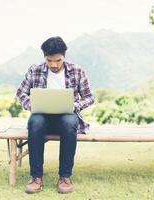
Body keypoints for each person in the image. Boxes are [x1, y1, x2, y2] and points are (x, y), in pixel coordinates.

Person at [16, 36, 94, 194]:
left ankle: (65, 177)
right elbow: (20, 93)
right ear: (44, 56)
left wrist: (74, 105)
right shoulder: (35, 69)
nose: (53, 64)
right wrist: (32, 105)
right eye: (49, 60)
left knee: (69, 122)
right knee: (35, 122)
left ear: (64, 55)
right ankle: (36, 177)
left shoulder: (76, 70)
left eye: (58, 60)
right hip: (42, 117)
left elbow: (89, 97)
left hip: (66, 116)